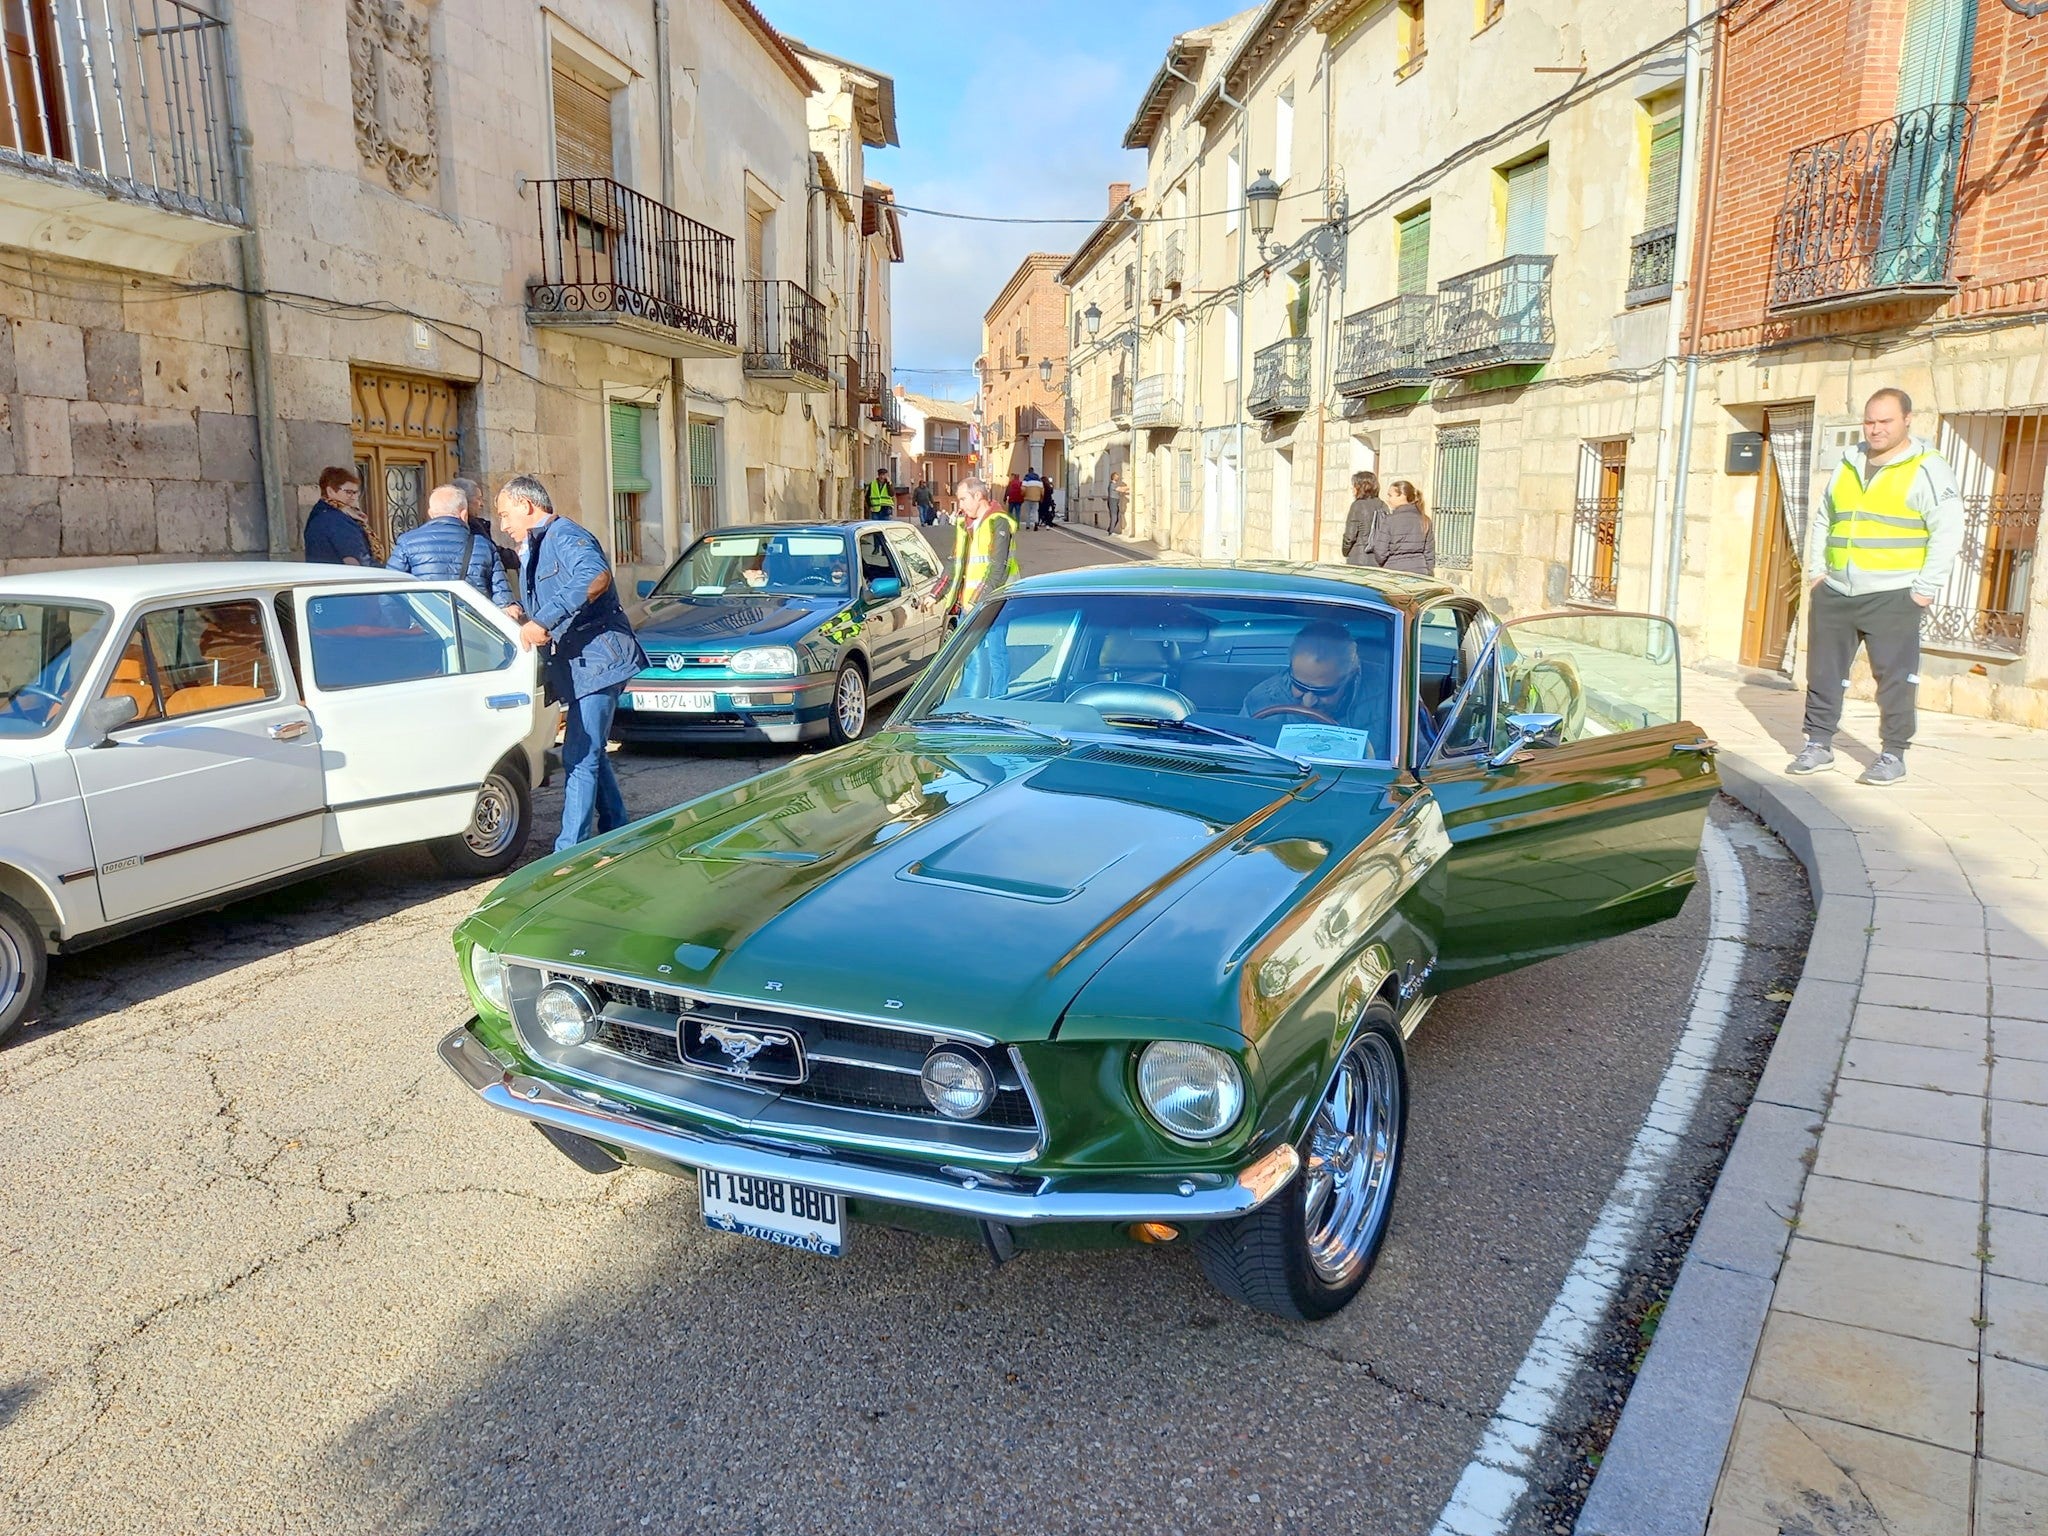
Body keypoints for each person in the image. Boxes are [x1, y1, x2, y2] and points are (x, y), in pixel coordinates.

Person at [1788, 387, 1965, 786]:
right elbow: (1824, 519)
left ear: (1907, 420)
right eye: (1870, 421)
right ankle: (1818, 744)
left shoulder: (1927, 468)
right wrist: (1817, 573)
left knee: (1895, 678)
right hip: (1836, 590)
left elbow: (1948, 530)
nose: (1875, 429)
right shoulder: (1849, 463)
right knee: (1823, 672)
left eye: (1885, 421)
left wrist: (1923, 589)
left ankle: (1893, 754)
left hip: (1894, 595)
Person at [494, 474, 649, 852]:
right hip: (578, 666)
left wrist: (543, 619)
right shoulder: (535, 546)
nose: (503, 525)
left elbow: (595, 576)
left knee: (580, 754)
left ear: (526, 506)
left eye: (505, 514)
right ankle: (618, 831)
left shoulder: (563, 534)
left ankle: (569, 852)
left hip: (599, 661)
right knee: (589, 749)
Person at [1240, 621, 1380, 740]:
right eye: (1299, 685)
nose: (1308, 702)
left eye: (1323, 691)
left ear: (1351, 675)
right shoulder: (1261, 700)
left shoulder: (1392, 698)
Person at [386, 483, 516, 608]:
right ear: (464, 514)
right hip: (473, 626)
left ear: (431, 513)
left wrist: (401, 626)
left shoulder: (407, 542)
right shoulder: (483, 545)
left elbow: (389, 595)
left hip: (427, 626)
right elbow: (504, 601)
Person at [948, 476, 1019, 620]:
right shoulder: (965, 525)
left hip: (993, 605)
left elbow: (998, 567)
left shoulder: (998, 522)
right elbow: (954, 564)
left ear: (978, 496)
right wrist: (935, 594)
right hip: (967, 606)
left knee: (994, 643)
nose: (960, 506)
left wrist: (976, 600)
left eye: (963, 499)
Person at [303, 467, 373, 566]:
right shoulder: (334, 519)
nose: (353, 497)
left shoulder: (321, 512)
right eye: (348, 492)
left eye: (356, 492)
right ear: (330, 491)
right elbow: (354, 560)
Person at [1368, 481, 1436, 575]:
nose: (1388, 499)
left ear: (1402, 496)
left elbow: (1380, 552)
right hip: (1419, 571)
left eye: (1390, 495)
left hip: (1394, 571)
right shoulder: (1425, 520)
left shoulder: (1389, 520)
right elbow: (1429, 553)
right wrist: (1429, 572)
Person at [1340, 472, 1388, 567]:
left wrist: (1345, 551)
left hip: (1358, 557)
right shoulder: (1383, 505)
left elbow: (1350, 536)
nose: (1352, 488)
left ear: (1361, 487)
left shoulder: (1357, 505)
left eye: (1354, 485)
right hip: (1378, 557)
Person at [1106, 469, 1125, 536]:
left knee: (1116, 517)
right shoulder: (1112, 484)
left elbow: (1120, 489)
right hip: (1112, 501)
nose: (1118, 478)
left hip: (1114, 502)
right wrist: (1128, 488)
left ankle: (1109, 529)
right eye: (1117, 476)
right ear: (1114, 477)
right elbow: (1120, 489)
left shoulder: (1114, 484)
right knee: (1114, 517)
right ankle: (1110, 532)